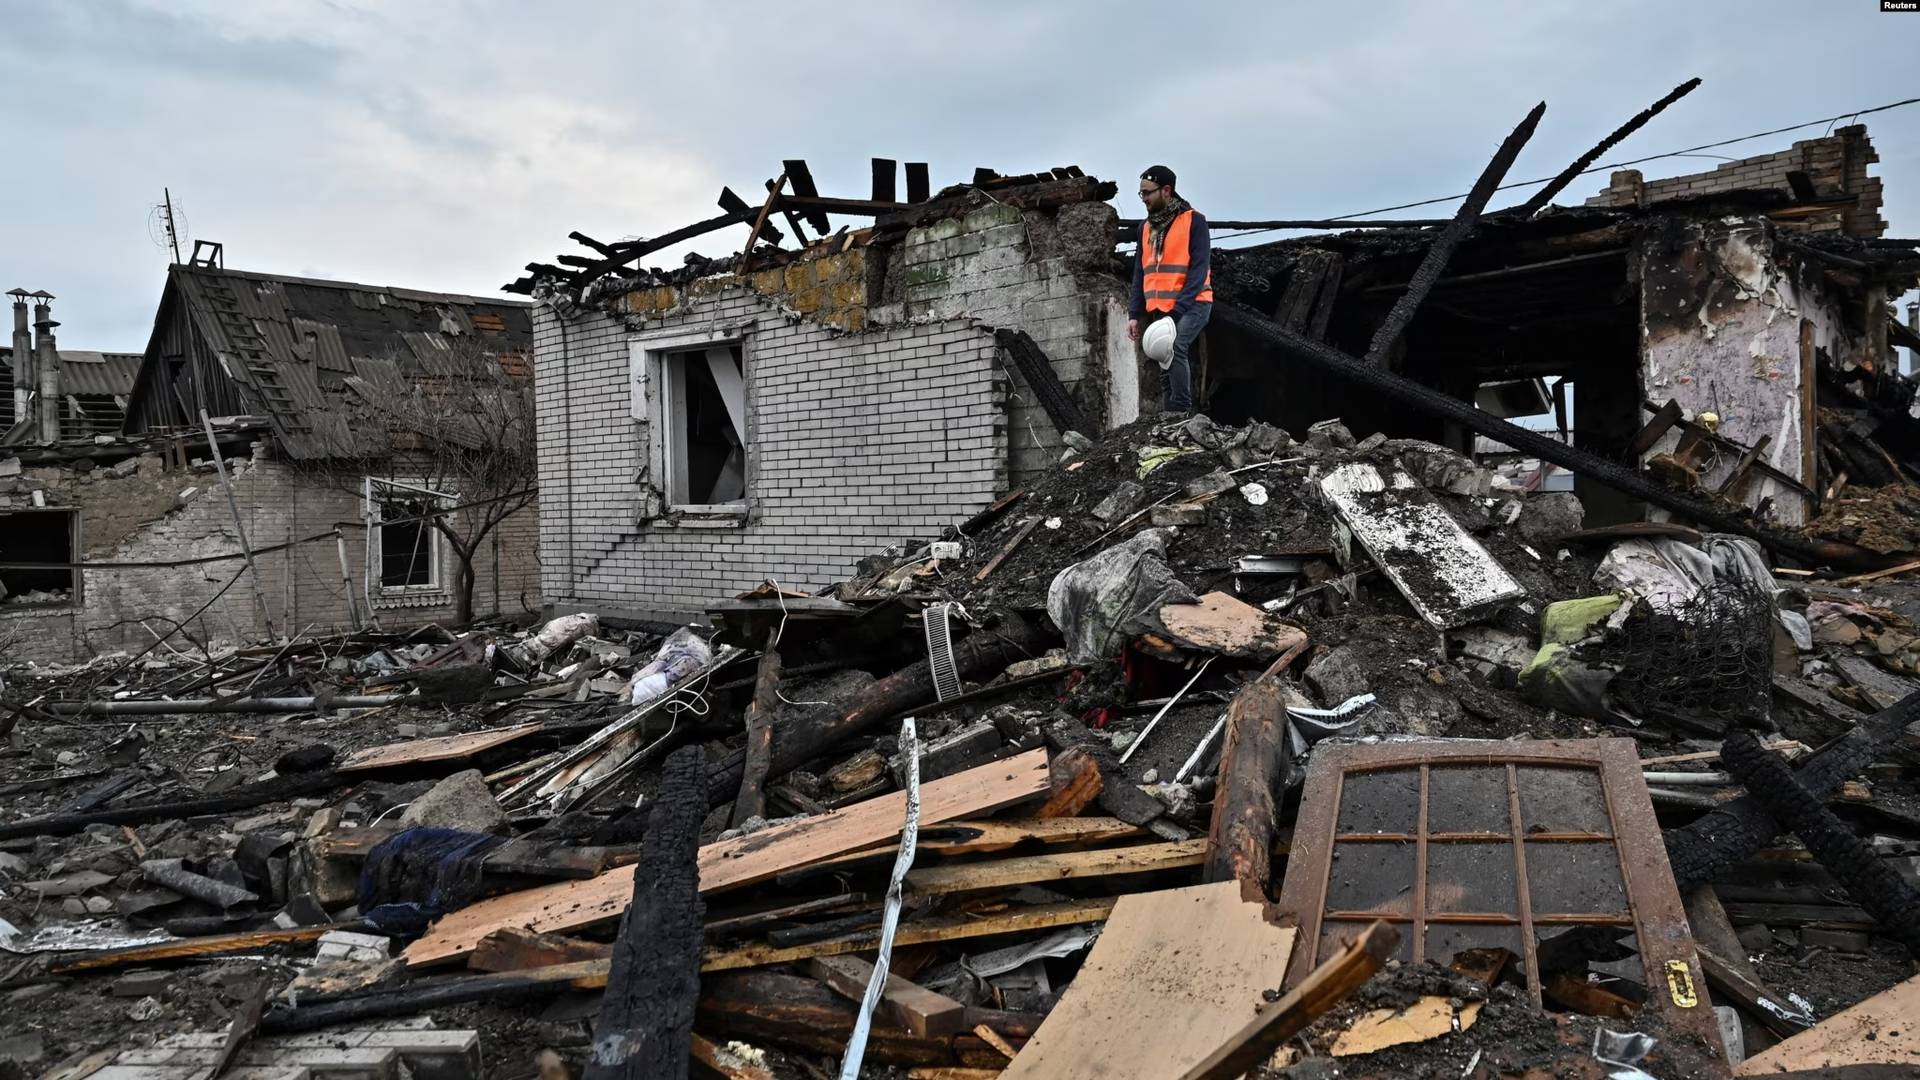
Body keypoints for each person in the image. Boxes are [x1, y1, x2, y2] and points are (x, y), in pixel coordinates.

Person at [1128, 164, 1212, 416]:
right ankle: (1168, 418)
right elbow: (1139, 273)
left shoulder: (1194, 221)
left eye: (1148, 193)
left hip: (1194, 303)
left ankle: (1180, 412)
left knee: (1174, 348)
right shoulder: (1146, 227)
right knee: (1161, 357)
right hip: (1160, 307)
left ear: (1166, 190)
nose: (1143, 199)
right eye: (1141, 193)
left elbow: (1198, 271)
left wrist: (1177, 312)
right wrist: (1134, 314)